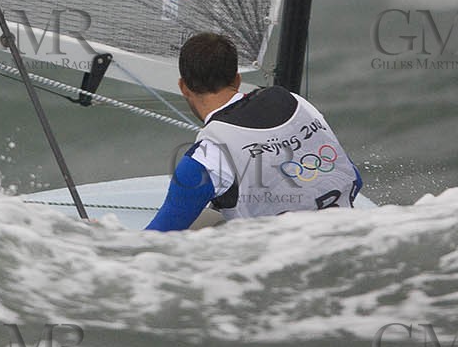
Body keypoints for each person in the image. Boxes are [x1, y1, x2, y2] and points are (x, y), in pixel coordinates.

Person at [146, 31, 362, 231]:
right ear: (237, 79)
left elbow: (157, 236)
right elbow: (352, 177)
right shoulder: (296, 103)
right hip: (344, 235)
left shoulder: (206, 158)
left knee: (204, 225)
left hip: (285, 263)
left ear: (183, 86)